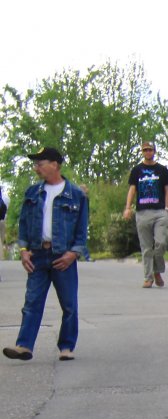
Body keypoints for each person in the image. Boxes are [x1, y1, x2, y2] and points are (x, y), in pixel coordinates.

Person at [4, 148, 89, 361]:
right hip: (38, 255)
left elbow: (81, 229)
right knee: (32, 302)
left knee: (69, 304)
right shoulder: (32, 193)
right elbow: (24, 224)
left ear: (55, 165)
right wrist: (23, 251)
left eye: (40, 164)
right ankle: (24, 346)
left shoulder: (76, 194)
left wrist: (73, 253)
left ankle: (66, 347)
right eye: (36, 164)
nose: (36, 168)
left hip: (63, 256)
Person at [123, 140, 168, 288]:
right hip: (142, 212)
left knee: (161, 243)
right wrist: (128, 208)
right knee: (146, 247)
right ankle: (149, 277)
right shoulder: (137, 170)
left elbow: (167, 190)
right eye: (145, 150)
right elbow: (132, 189)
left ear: (154, 151)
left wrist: (167, 208)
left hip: (159, 212)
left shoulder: (162, 170)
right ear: (142, 152)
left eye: (150, 150)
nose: (148, 152)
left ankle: (157, 270)